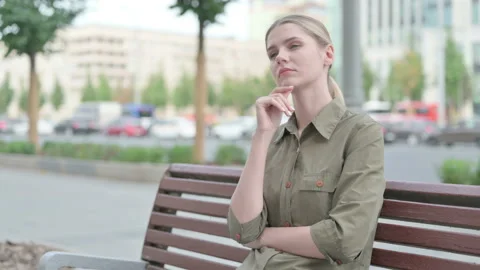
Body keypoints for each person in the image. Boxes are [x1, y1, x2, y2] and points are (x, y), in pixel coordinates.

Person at [227, 14, 386, 270]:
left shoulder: (360, 133)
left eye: (294, 45)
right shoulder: (274, 139)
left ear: (328, 55)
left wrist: (261, 237)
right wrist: (261, 135)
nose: (280, 56)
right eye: (272, 53)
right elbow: (241, 228)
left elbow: (344, 238)